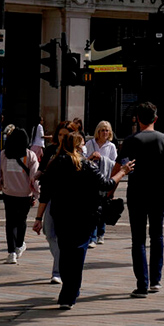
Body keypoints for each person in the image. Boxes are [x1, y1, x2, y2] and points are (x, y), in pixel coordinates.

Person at [33, 132, 133, 309]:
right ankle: (69, 294)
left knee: (65, 251)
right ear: (79, 147)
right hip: (84, 216)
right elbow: (107, 184)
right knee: (77, 254)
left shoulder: (55, 164)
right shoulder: (86, 165)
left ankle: (68, 290)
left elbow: (46, 192)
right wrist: (122, 172)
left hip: (61, 215)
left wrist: (39, 217)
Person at [115, 102, 164, 298]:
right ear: (156, 118)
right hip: (159, 192)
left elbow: (118, 168)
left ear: (137, 118)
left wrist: (109, 191)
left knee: (138, 239)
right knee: (157, 235)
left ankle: (142, 284)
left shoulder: (130, 140)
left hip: (136, 193)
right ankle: (156, 280)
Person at [37, 121, 76, 284]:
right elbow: (42, 168)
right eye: (59, 135)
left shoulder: (74, 153)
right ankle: (63, 261)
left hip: (69, 200)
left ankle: (58, 271)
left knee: (61, 236)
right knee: (48, 233)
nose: (62, 138)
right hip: (50, 196)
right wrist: (35, 175)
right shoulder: (51, 151)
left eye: (65, 135)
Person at [0, 128, 39, 264]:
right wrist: (36, 194)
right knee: (21, 221)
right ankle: (19, 245)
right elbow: (34, 177)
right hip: (24, 194)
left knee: (10, 222)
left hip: (9, 192)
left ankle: (11, 252)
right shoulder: (30, 155)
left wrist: (1, 186)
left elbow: (0, 174)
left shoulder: (3, 154)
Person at [85, 121, 118, 247]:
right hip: (92, 180)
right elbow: (84, 159)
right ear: (97, 132)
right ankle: (92, 237)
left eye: (107, 130)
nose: (104, 133)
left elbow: (114, 164)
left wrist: (103, 159)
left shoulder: (111, 146)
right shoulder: (90, 144)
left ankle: (101, 233)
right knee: (93, 208)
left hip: (105, 179)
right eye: (102, 130)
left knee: (103, 207)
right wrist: (92, 157)